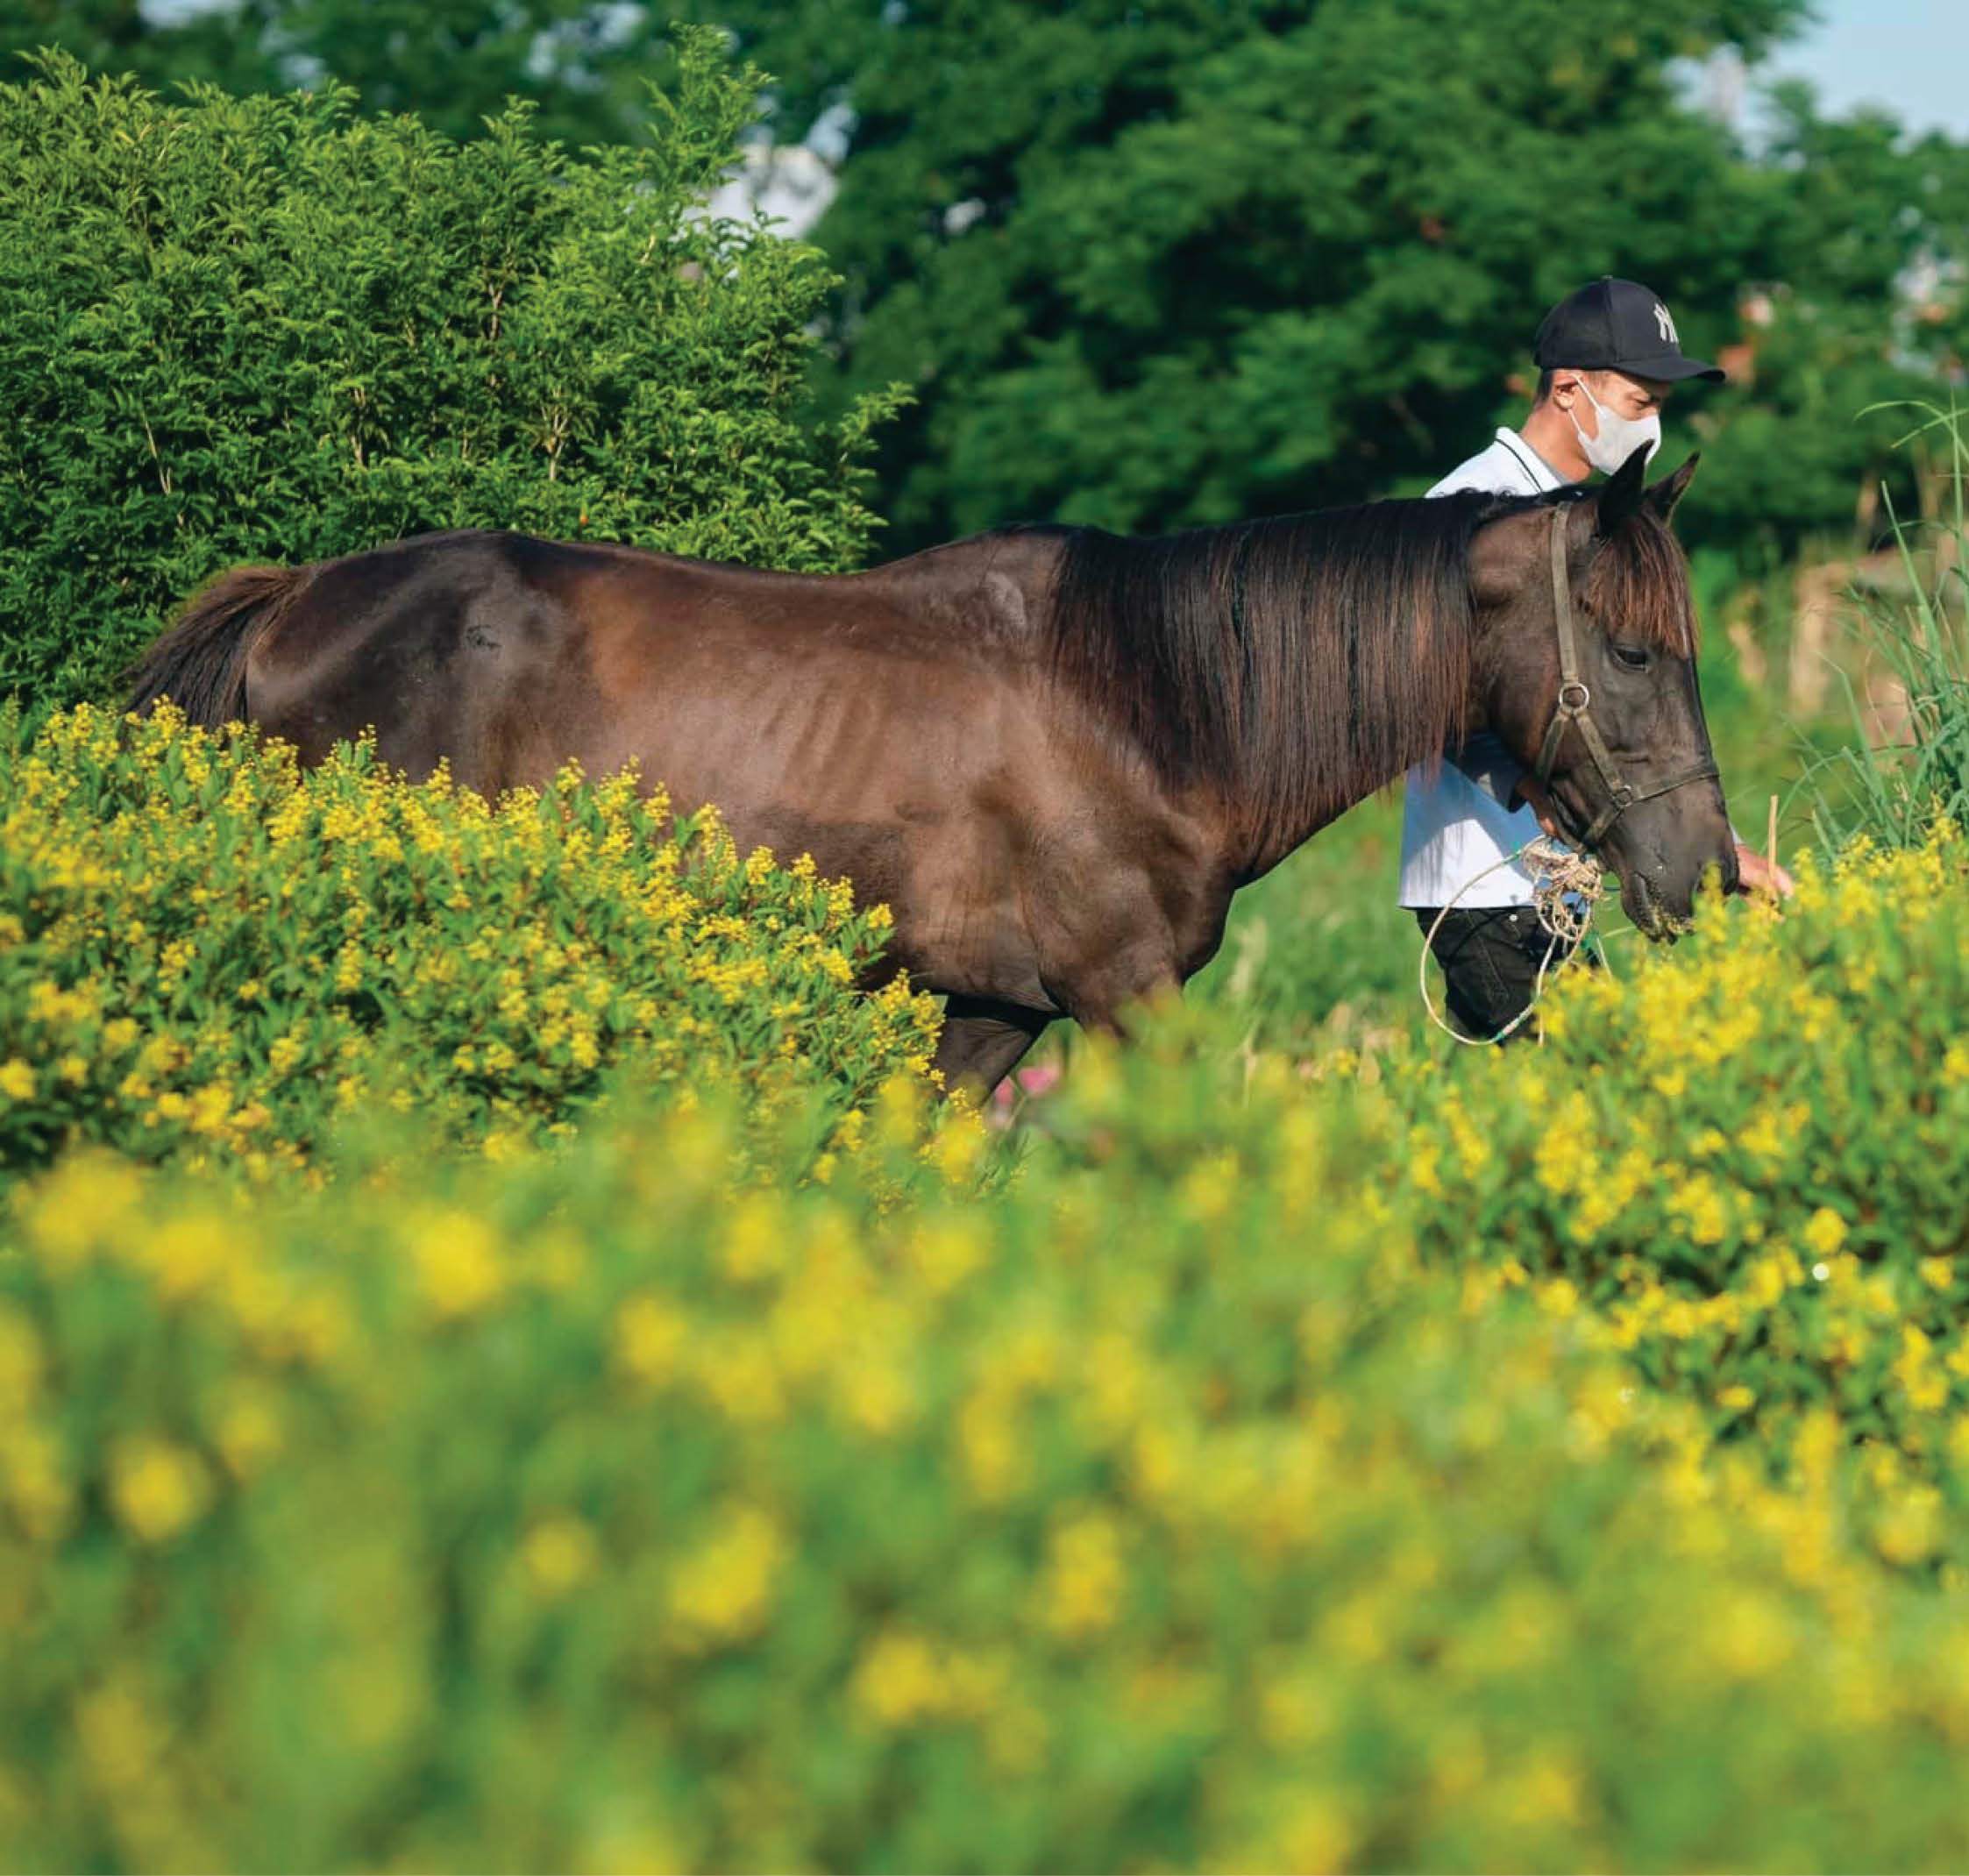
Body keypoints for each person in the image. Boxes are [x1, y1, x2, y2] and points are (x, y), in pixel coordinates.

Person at [1400, 275, 1794, 1042]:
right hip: (1482, 888)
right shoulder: (1468, 508)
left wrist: (1713, 848)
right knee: (1598, 1089)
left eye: (1660, 410)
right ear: (1571, 390)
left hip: (1547, 889)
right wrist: (1526, 787)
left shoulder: (1584, 521)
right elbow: (1412, 694)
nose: (1651, 429)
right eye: (1640, 405)